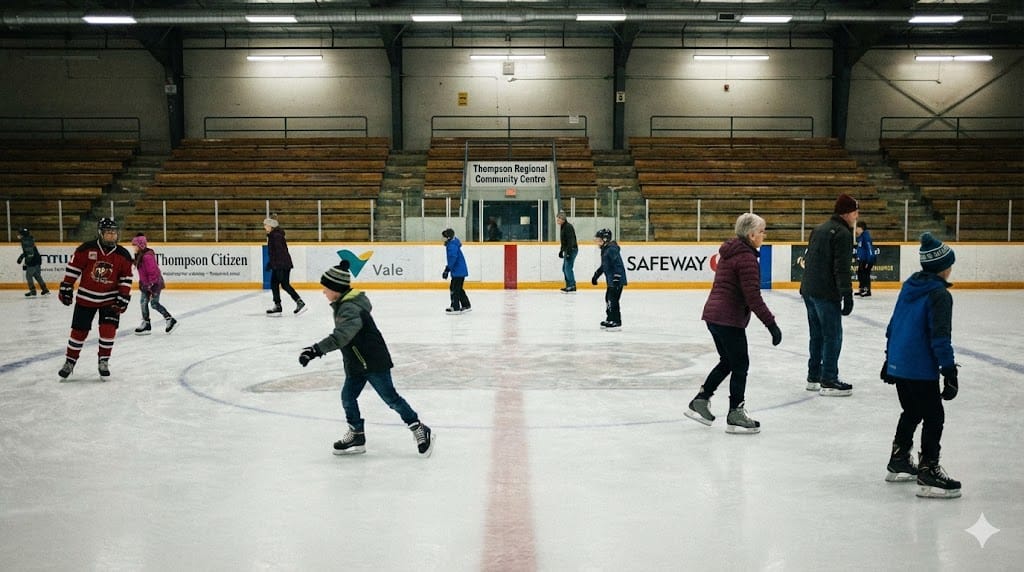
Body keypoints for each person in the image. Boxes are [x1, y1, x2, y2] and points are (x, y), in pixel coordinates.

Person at [298, 260, 434, 457]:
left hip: (373, 361)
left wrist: (315, 350)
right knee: (348, 397)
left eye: (326, 288)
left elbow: (341, 336)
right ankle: (356, 435)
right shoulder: (343, 304)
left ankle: (419, 428)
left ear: (336, 289)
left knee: (391, 399)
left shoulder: (350, 308)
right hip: (356, 362)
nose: (323, 292)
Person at [685, 213, 782, 434]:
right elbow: (753, 297)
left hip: (714, 316)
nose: (764, 235)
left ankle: (701, 400)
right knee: (740, 365)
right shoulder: (746, 258)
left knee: (728, 361)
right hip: (728, 318)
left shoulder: (731, 252)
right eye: (762, 231)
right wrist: (771, 325)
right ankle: (735, 413)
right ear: (751, 235)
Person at [880, 233, 961, 498]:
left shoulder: (910, 287)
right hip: (919, 366)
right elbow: (940, 337)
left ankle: (899, 459)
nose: (951, 268)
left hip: (899, 363)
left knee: (912, 410)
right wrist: (949, 371)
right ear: (942, 267)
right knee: (934, 416)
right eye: (949, 264)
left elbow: (893, 325)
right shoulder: (939, 295)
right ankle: (929, 470)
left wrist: (889, 359)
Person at [56, 218, 134, 379]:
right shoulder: (86, 249)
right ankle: (70, 361)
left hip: (110, 299)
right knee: (79, 332)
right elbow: (73, 268)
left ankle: (103, 360)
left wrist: (124, 295)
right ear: (100, 233)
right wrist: (66, 285)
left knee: (108, 331)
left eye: (114, 233)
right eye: (108, 233)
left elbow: (126, 277)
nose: (112, 236)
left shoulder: (123, 254)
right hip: (86, 298)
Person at [799, 193, 858, 396]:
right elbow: (842, 268)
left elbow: (810, 260)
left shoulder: (819, 229)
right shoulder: (842, 234)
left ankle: (814, 377)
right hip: (825, 293)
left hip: (809, 290)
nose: (856, 216)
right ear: (847, 213)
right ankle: (829, 379)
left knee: (817, 335)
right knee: (833, 336)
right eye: (855, 212)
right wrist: (847, 294)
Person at [130, 233, 178, 335]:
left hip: (154, 284)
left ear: (141, 245)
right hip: (146, 284)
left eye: (135, 245)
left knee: (154, 304)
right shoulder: (140, 255)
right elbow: (141, 269)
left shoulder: (147, 257)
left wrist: (151, 286)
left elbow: (153, 272)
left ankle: (170, 319)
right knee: (143, 302)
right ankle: (146, 324)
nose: (133, 247)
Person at [263, 216, 305, 316]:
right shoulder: (274, 235)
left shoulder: (275, 236)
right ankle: (278, 305)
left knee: (284, 284)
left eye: (266, 225)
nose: (264, 227)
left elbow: (280, 251)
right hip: (280, 263)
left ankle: (298, 301)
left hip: (281, 264)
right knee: (274, 283)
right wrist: (271, 263)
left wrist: (274, 264)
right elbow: (276, 252)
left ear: (271, 226)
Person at [591, 228, 627, 329]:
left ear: (605, 240)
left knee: (613, 300)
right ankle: (610, 318)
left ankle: (616, 320)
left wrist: (617, 277)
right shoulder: (605, 250)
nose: (598, 243)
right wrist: (596, 275)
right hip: (611, 280)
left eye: (599, 240)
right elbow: (604, 265)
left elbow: (618, 264)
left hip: (616, 280)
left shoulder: (611, 250)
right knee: (608, 299)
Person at [441, 228, 471, 314]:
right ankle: (466, 305)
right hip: (459, 270)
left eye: (444, 237)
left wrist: (447, 269)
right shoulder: (453, 243)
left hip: (458, 271)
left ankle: (455, 307)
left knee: (454, 289)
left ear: (448, 237)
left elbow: (452, 258)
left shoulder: (452, 246)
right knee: (458, 288)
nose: (443, 239)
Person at [16, 228, 49, 297]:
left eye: (20, 234)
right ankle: (45, 289)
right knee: (37, 275)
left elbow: (29, 252)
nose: (18, 235)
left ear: (23, 234)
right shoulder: (29, 238)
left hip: (32, 259)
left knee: (28, 276)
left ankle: (33, 291)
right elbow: (28, 251)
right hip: (37, 258)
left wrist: (26, 261)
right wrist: (21, 257)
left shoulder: (25, 240)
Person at [556, 211, 578, 292]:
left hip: (571, 250)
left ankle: (572, 285)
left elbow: (570, 241)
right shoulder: (563, 227)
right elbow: (564, 241)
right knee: (564, 268)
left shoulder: (568, 227)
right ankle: (569, 285)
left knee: (568, 268)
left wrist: (568, 253)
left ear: (563, 219)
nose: (557, 220)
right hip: (568, 250)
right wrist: (561, 250)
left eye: (558, 219)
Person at [855, 221, 876, 297]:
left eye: (857, 228)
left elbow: (869, 249)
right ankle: (862, 288)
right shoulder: (860, 237)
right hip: (862, 259)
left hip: (867, 260)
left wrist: (868, 260)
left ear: (861, 228)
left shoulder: (866, 237)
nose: (856, 230)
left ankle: (867, 290)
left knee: (865, 275)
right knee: (860, 273)